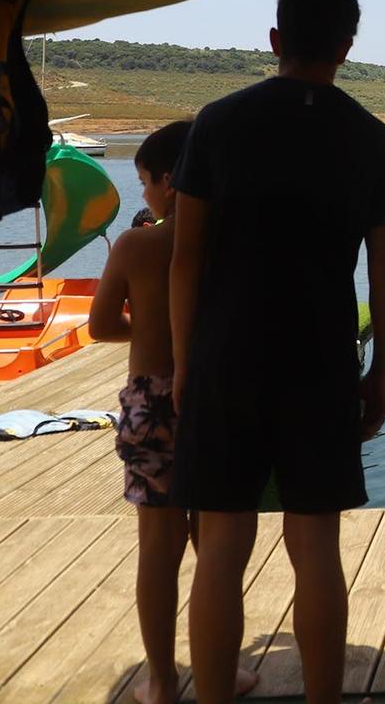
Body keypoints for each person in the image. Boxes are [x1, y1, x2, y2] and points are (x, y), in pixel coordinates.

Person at [168, 0, 385, 704]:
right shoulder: (370, 136)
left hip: (225, 358)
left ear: (275, 41)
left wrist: (185, 367)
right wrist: (383, 372)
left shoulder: (216, 121)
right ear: (346, 47)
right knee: (317, 549)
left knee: (220, 551)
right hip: (321, 363)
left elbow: (185, 257)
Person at [92, 122, 258, 704]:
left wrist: (149, 330)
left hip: (152, 401)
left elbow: (101, 325)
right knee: (218, 548)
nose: (144, 196)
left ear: (170, 179)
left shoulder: (137, 246)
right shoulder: (234, 247)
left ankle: (162, 680)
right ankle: (223, 670)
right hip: (217, 396)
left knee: (157, 549)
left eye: (144, 182)